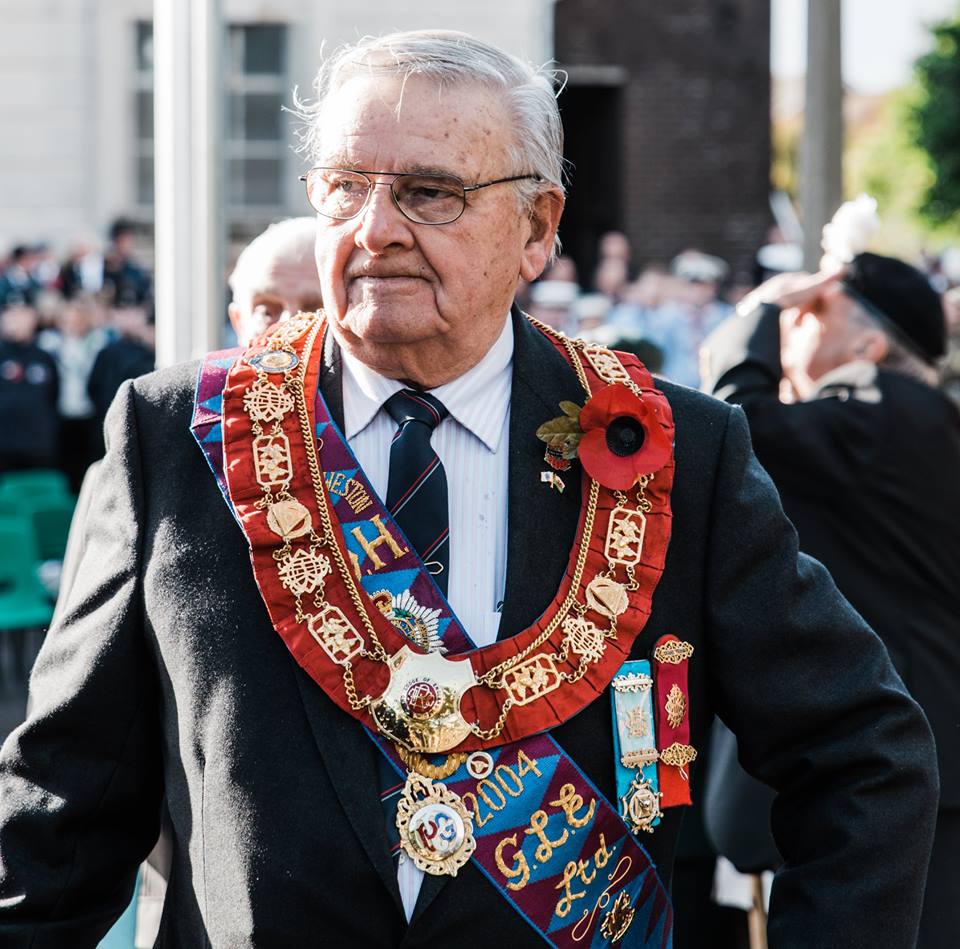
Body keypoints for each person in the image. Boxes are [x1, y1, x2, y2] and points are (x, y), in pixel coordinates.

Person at [0, 31, 938, 949]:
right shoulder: (175, 436)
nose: (374, 230)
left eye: (428, 193)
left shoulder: (673, 445)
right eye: (343, 188)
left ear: (536, 228)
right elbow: (63, 804)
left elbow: (865, 752)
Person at [701, 254, 960, 949]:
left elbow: (735, 423)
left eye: (814, 313)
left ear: (870, 346)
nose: (795, 326)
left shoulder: (876, 416)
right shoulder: (908, 417)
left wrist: (754, 313)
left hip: (904, 752)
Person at [227, 216, 322, 345]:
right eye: (267, 312)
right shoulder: (208, 365)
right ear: (238, 322)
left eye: (314, 314)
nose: (286, 329)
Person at [0, 303, 59, 472]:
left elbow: (53, 396)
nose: (17, 320)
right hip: (4, 447)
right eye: (11, 314)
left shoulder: (44, 357)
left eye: (22, 313)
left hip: (37, 446)